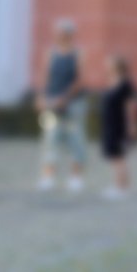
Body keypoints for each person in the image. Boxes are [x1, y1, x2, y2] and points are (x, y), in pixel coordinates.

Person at [37, 18, 86, 191]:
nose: (60, 36)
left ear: (70, 34)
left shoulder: (78, 53)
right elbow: (45, 77)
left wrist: (64, 97)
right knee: (49, 139)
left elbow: (80, 80)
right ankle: (47, 176)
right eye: (58, 33)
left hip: (73, 105)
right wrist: (41, 96)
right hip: (51, 104)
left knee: (75, 140)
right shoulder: (50, 53)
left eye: (64, 33)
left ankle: (76, 178)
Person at [99, 54, 137, 199]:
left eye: (109, 64)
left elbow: (130, 107)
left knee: (118, 156)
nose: (106, 67)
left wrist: (132, 126)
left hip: (119, 125)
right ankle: (121, 185)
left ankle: (120, 187)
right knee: (114, 156)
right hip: (110, 124)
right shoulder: (112, 82)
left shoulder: (125, 85)